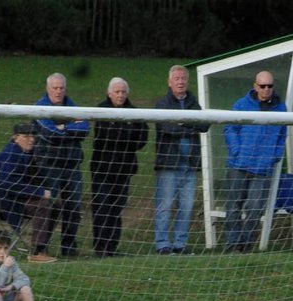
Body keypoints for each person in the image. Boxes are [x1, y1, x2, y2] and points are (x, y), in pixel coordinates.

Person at [222, 69, 287, 252]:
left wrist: (274, 156)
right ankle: (233, 244)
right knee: (233, 206)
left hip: (263, 168)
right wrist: (237, 151)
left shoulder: (281, 108)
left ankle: (246, 244)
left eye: (269, 86)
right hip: (238, 165)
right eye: (262, 85)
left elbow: (283, 135)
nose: (266, 89)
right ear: (255, 86)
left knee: (255, 207)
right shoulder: (241, 105)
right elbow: (230, 129)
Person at [153, 65, 209, 255]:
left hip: (190, 164)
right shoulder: (162, 104)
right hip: (169, 164)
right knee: (165, 204)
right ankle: (162, 244)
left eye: (183, 78)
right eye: (177, 78)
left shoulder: (193, 103)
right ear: (169, 82)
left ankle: (180, 244)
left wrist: (181, 122)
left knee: (187, 205)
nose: (180, 82)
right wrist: (190, 124)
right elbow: (167, 128)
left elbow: (204, 125)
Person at [89, 77, 148, 257]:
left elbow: (142, 138)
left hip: (124, 169)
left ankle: (112, 248)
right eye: (117, 92)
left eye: (123, 92)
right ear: (109, 93)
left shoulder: (134, 112)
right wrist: (128, 135)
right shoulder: (101, 110)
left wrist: (125, 136)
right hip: (102, 170)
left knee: (116, 209)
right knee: (102, 208)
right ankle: (100, 248)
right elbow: (107, 135)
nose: (120, 95)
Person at [32, 72, 89, 257]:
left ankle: (69, 247)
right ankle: (41, 248)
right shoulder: (39, 107)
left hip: (72, 164)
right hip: (49, 165)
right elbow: (49, 133)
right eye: (55, 88)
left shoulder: (73, 106)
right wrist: (71, 128)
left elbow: (85, 129)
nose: (58, 91)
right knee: (48, 205)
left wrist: (63, 127)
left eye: (61, 88)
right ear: (47, 89)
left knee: (74, 206)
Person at [0, 122, 56, 264]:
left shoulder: (27, 154)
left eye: (33, 136)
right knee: (43, 204)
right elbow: (8, 185)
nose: (31, 139)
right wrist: (39, 192)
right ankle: (37, 252)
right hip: (2, 201)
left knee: (55, 205)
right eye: (26, 136)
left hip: (18, 198)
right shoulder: (10, 155)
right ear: (15, 137)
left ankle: (42, 247)